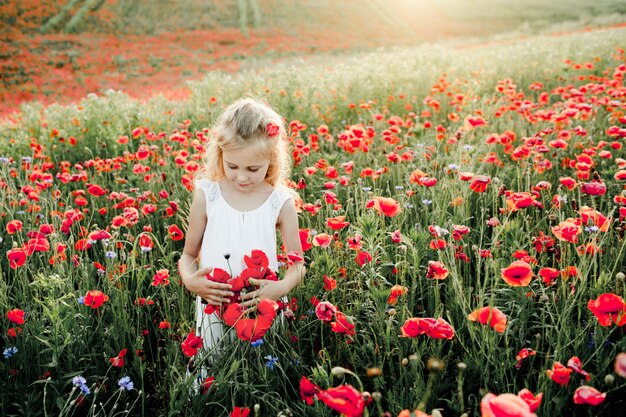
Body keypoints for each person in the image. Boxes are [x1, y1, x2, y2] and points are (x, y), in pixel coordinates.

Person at [177, 97, 306, 367]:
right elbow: (188, 255)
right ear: (221, 155)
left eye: (253, 169)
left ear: (271, 161)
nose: (242, 177)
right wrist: (191, 280)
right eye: (233, 166)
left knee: (260, 372)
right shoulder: (208, 195)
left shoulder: (279, 202)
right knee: (214, 372)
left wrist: (281, 288)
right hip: (215, 304)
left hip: (261, 305)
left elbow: (298, 266)